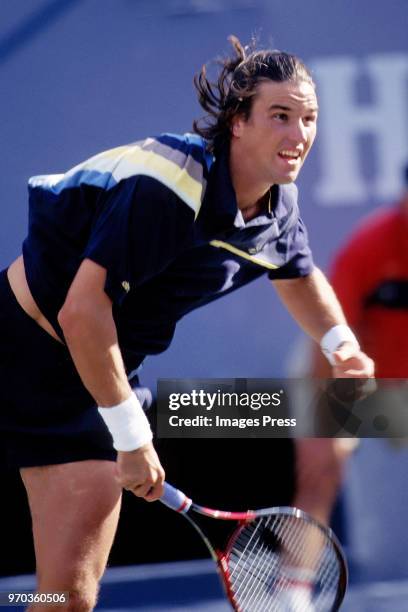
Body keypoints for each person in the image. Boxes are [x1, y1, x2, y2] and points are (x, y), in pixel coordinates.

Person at [1, 36, 373, 611]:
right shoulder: (168, 186)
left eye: (308, 118)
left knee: (65, 596)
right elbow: (81, 311)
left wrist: (340, 344)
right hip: (19, 340)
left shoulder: (278, 208)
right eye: (280, 115)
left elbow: (297, 273)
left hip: (82, 388)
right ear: (237, 122)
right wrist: (131, 437)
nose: (298, 135)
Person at [293, 162, 408, 526]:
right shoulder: (368, 248)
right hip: (344, 373)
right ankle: (296, 582)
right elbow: (328, 337)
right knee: (323, 470)